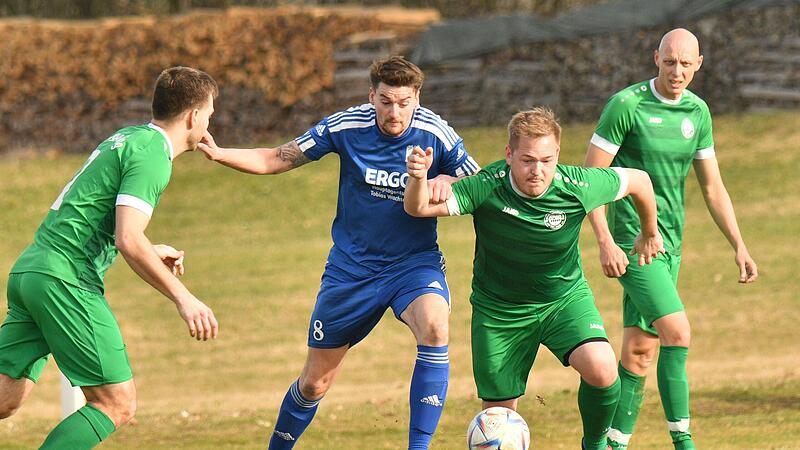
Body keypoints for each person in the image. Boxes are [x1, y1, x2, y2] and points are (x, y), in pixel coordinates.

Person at [196, 55, 480, 450]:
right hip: (352, 270)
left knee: (435, 325)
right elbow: (278, 158)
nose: (393, 112)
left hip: (411, 264)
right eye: (384, 101)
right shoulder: (347, 125)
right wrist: (221, 153)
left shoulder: (436, 133)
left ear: (417, 97)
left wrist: (446, 178)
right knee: (314, 383)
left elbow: (479, 181)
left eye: (403, 102)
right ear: (371, 95)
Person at [404, 107, 663, 450]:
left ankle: (596, 445)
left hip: (563, 301)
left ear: (557, 154)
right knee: (498, 424)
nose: (537, 171)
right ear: (509, 155)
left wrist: (649, 232)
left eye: (546, 160)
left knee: (603, 371)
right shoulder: (487, 186)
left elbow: (640, 181)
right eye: (527, 160)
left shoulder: (578, 184)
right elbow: (418, 208)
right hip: (500, 313)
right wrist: (419, 178)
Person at [0, 66, 220, 449]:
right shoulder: (154, 156)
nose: (209, 123)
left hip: (33, 270)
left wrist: (152, 248)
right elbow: (127, 239)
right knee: (116, 403)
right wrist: (185, 298)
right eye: (210, 114)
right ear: (193, 116)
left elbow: (99, 222)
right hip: (65, 280)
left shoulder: (126, 137)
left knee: (5, 397)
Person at [585, 28, 759, 450]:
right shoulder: (626, 106)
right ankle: (684, 442)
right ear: (655, 59)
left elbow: (713, 188)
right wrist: (605, 240)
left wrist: (739, 245)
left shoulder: (698, 113)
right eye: (669, 62)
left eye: (686, 63)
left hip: (671, 247)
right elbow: (591, 181)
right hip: (634, 245)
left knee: (640, 352)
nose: (677, 71)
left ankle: (609, 444)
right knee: (678, 334)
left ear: (699, 63)